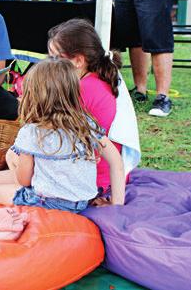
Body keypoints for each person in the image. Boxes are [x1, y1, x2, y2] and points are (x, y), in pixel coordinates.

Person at [0, 58, 126, 209]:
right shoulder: (87, 122)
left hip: (47, 202)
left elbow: (24, 181)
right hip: (81, 201)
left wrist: (13, 161)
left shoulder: (32, 132)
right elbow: (116, 161)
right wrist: (116, 204)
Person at [47, 18, 140, 193]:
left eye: (56, 58)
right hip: (107, 174)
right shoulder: (100, 77)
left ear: (78, 60)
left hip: (91, 179)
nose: (51, 64)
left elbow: (53, 138)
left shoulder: (82, 89)